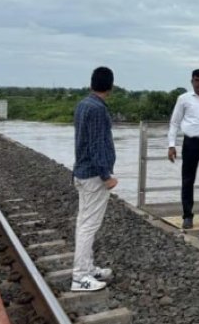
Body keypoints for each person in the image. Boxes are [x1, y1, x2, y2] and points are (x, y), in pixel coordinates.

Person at [71, 67, 118, 292]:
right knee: (88, 226)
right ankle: (80, 277)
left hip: (81, 171)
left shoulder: (83, 104)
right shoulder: (98, 109)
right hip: (93, 176)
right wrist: (106, 175)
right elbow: (97, 144)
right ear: (110, 86)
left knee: (83, 223)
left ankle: (87, 268)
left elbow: (84, 141)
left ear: (91, 83)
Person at [167, 69, 199, 229]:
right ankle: (187, 215)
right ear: (192, 81)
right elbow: (174, 122)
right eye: (197, 80)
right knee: (188, 180)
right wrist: (171, 145)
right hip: (191, 143)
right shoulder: (183, 99)